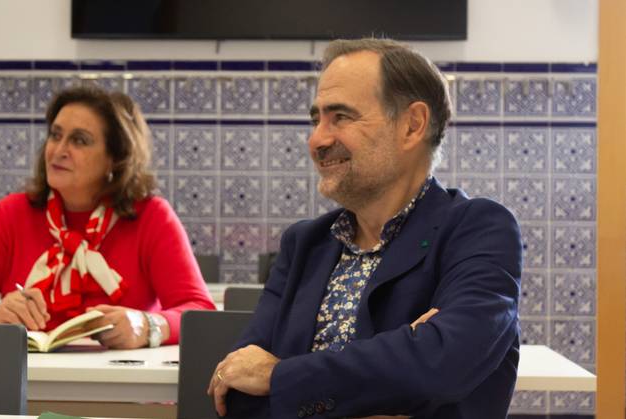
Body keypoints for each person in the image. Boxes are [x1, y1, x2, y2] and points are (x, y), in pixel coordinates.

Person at [208, 38, 522, 418]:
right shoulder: (305, 244)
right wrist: (397, 372)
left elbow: (442, 366)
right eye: (316, 119)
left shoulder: (478, 229)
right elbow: (240, 390)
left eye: (341, 116)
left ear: (412, 125)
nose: (317, 140)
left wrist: (280, 376)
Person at [0, 85, 216, 348]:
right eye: (55, 135)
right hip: (27, 389)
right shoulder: (13, 214)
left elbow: (201, 311)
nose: (59, 150)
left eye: (79, 140)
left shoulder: (152, 216)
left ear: (115, 159)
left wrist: (148, 325)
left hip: (127, 392)